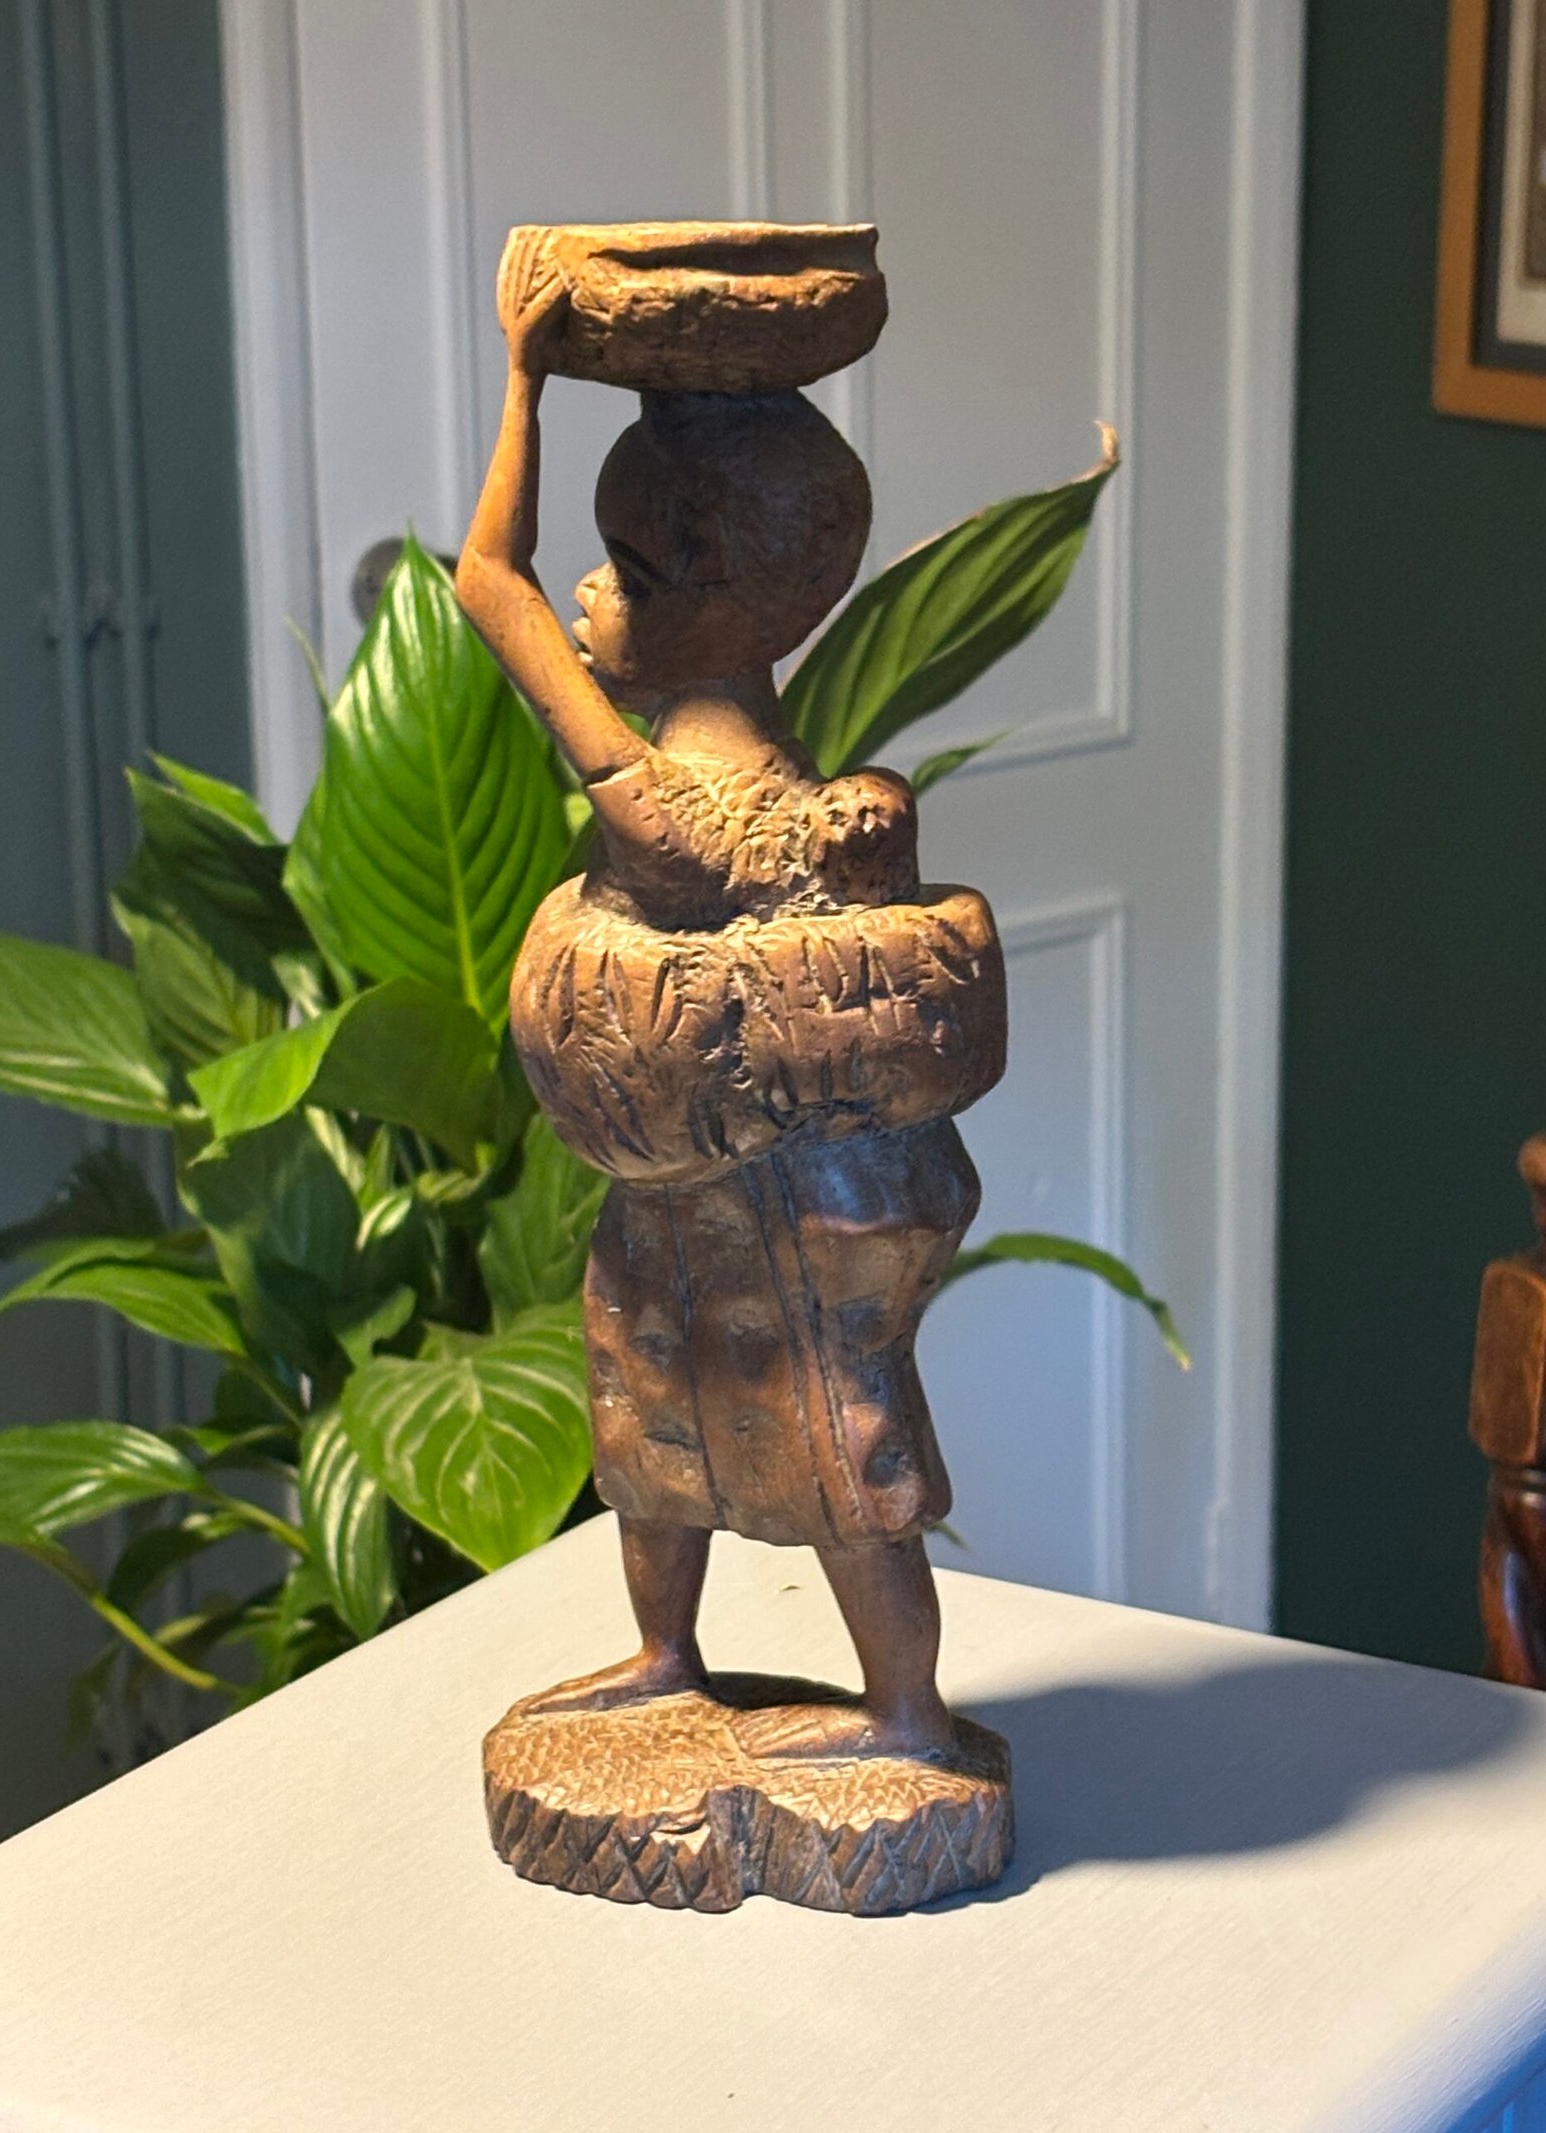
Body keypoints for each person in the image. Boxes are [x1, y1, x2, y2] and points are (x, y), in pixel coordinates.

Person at [456, 228, 1003, 1760]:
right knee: (656, 1417)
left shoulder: (666, 813)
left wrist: (525, 380)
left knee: (830, 1442)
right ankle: (668, 1655)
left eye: (624, 571)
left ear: (707, 598)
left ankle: (908, 1717)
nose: (587, 592)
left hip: (765, 1204)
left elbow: (485, 584)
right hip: (694, 1192)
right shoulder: (813, 793)